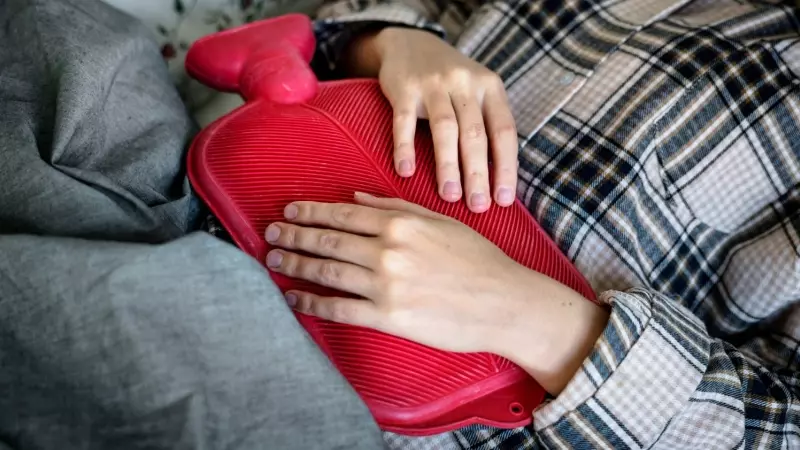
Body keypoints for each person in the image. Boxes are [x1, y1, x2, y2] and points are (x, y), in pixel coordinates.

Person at [0, 2, 796, 450]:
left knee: (194, 316)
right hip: (252, 178)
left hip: (397, 415)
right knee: (62, 38)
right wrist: (395, 41)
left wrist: (528, 316)